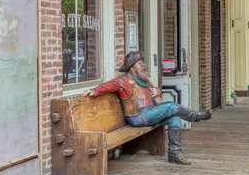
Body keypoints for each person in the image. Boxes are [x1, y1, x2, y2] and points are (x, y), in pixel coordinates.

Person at [83, 51, 212, 165]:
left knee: (175, 118)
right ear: (132, 68)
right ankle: (195, 116)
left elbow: (159, 103)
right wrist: (94, 91)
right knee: (171, 107)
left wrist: (158, 94)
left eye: (142, 62)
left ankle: (175, 154)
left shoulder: (145, 81)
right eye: (139, 64)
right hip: (137, 117)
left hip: (149, 114)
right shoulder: (123, 81)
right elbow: (108, 85)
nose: (143, 66)